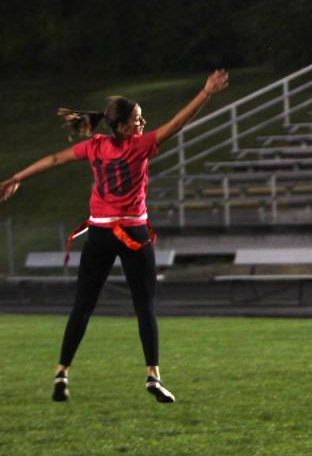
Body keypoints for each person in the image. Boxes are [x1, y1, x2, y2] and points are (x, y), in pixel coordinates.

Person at [0, 70, 229, 403]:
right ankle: (153, 375)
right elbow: (178, 123)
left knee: (82, 306)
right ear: (123, 127)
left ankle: (61, 372)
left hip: (100, 232)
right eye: (137, 119)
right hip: (132, 233)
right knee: (144, 306)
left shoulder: (95, 146)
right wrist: (206, 92)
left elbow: (53, 159)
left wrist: (16, 177)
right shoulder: (140, 145)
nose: (143, 123)